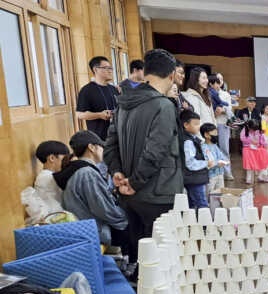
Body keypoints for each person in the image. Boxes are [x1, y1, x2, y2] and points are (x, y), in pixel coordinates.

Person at [104, 48, 183, 264]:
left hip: (129, 195)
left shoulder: (123, 104)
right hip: (158, 192)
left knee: (140, 255)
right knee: (159, 260)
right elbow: (155, 151)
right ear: (171, 76)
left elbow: (110, 146)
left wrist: (118, 173)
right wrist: (136, 182)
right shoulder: (163, 105)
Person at [60, 130, 129, 251]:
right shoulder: (87, 173)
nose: (103, 150)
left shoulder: (78, 169)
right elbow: (103, 209)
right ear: (91, 147)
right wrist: (125, 217)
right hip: (93, 230)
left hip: (83, 226)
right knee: (135, 226)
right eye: (101, 147)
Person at [76, 56, 119, 140]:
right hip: (99, 138)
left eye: (111, 68)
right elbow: (80, 115)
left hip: (118, 136)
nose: (110, 71)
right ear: (95, 70)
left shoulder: (113, 89)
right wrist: (99, 115)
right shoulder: (86, 90)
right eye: (106, 68)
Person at [180, 111, 211, 209]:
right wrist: (207, 163)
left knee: (192, 205)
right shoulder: (188, 141)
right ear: (186, 125)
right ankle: (205, 224)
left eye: (199, 123)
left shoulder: (191, 138)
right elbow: (190, 163)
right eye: (196, 124)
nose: (199, 126)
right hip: (194, 178)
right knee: (201, 204)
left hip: (192, 178)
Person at [209, 73, 234, 180]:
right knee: (211, 149)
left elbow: (230, 111)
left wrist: (223, 110)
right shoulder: (207, 94)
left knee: (224, 149)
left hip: (223, 124)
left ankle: (227, 173)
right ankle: (215, 173)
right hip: (212, 124)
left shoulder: (226, 95)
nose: (219, 82)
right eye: (217, 80)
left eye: (221, 80)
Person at [34, 141, 70, 213]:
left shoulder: (45, 175)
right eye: (64, 158)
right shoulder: (47, 177)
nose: (67, 161)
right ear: (52, 158)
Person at [240, 119, 268, 184]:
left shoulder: (258, 130)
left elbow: (262, 138)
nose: (254, 131)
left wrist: (265, 144)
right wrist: (251, 141)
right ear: (249, 127)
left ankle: (260, 176)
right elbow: (242, 138)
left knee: (263, 157)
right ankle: (248, 178)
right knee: (249, 163)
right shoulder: (244, 130)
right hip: (248, 148)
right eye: (252, 129)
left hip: (257, 148)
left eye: (255, 129)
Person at [200, 123, 228, 194]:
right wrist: (217, 164)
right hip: (211, 176)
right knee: (210, 194)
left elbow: (221, 156)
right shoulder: (204, 147)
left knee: (220, 193)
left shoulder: (215, 146)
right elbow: (208, 161)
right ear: (206, 135)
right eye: (214, 133)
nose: (216, 135)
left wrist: (225, 161)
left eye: (217, 132)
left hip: (220, 173)